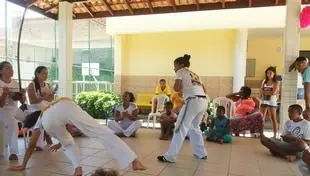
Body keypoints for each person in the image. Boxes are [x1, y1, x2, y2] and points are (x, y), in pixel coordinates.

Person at [9, 97, 147, 176]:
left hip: (52, 120)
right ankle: (134, 160)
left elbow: (31, 145)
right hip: (67, 105)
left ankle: (78, 169)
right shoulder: (47, 107)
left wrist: (23, 165)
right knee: (99, 131)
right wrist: (62, 141)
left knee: (68, 144)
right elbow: (66, 122)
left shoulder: (41, 120)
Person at [157, 54, 208, 163]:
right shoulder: (195, 74)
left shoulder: (181, 71)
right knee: (194, 127)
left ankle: (170, 156)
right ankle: (201, 153)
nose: (174, 68)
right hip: (203, 101)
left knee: (180, 127)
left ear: (181, 65)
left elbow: (176, 88)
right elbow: (204, 90)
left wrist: (181, 88)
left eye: (174, 66)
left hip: (193, 101)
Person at [0, 61, 25, 160]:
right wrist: (5, 94)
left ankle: (14, 152)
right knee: (12, 121)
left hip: (13, 110)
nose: (11, 70)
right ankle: (11, 151)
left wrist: (23, 94)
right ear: (1, 71)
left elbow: (22, 101)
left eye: (11, 68)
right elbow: (1, 104)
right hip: (2, 110)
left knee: (14, 121)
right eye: (7, 68)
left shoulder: (15, 83)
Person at [27, 66, 55, 151]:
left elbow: (50, 99)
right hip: (35, 109)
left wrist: (50, 95)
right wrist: (43, 97)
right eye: (43, 73)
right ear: (37, 74)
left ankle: (49, 135)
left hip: (46, 108)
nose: (46, 75)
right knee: (41, 116)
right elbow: (32, 101)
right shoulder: (32, 85)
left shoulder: (48, 85)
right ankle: (38, 143)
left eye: (47, 73)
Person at [260, 66, 280, 138]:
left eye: (271, 73)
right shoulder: (264, 81)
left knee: (273, 117)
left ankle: (275, 135)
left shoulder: (276, 81)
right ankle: (261, 133)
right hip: (264, 100)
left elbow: (273, 92)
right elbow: (261, 91)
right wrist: (267, 92)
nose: (269, 74)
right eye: (268, 73)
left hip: (272, 101)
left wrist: (265, 92)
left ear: (274, 73)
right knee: (262, 117)